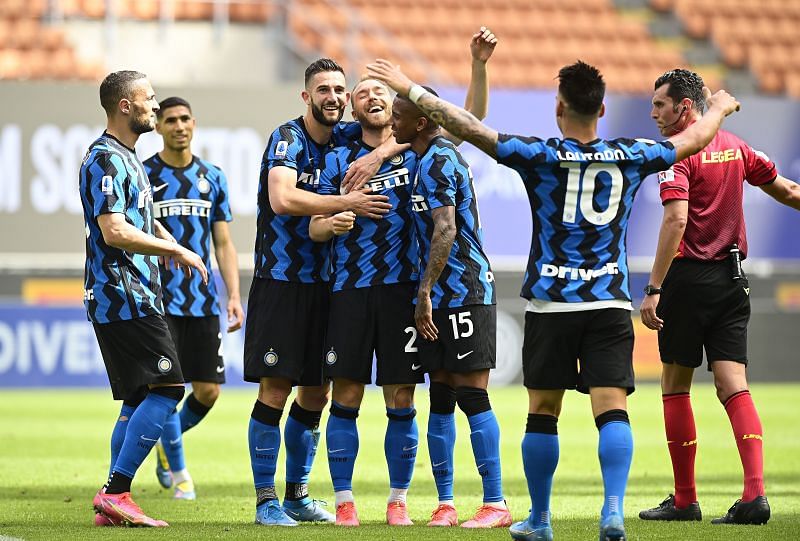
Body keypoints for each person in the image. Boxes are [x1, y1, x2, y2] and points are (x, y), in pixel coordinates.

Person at [367, 59, 740, 541]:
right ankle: (612, 512)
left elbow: (467, 126)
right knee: (612, 411)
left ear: (559, 107)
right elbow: (693, 139)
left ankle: (540, 520)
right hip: (607, 302)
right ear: (603, 108)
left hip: (551, 302)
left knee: (543, 412)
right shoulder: (631, 153)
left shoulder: (539, 155)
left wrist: (409, 88)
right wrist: (718, 108)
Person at [311, 27, 499, 528]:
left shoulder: (419, 151)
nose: (375, 97)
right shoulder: (336, 153)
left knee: (402, 397)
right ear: (352, 110)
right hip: (350, 287)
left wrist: (477, 67)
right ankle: (345, 500)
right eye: (363, 93)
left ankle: (399, 500)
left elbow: (465, 122)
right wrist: (332, 219)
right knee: (346, 396)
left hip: (405, 290)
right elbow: (311, 224)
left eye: (383, 93)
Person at [243, 57, 401, 527]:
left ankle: (296, 494)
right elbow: (282, 198)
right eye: (323, 90)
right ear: (306, 96)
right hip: (282, 281)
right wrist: (348, 201)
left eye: (339, 89)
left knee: (316, 394)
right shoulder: (288, 137)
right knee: (276, 389)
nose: (332, 97)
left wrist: (377, 155)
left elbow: (415, 132)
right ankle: (265, 499)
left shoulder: (348, 141)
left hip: (330, 287)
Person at [639, 69, 800, 525]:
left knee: (675, 387)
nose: (653, 114)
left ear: (685, 108)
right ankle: (755, 496)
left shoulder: (677, 155)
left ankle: (686, 500)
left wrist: (653, 287)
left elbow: (675, 221)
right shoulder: (737, 146)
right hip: (732, 281)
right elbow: (787, 190)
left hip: (688, 282)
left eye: (660, 105)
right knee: (734, 385)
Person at [80, 70, 208, 527]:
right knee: (170, 387)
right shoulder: (104, 160)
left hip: (134, 292)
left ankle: (112, 505)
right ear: (125, 107)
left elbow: (137, 216)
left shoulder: (128, 156)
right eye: (149, 100)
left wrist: (164, 236)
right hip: (122, 294)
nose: (155, 106)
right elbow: (113, 230)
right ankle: (116, 492)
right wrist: (174, 248)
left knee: (137, 397)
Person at [143, 96, 245, 501]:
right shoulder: (146, 176)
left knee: (207, 391)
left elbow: (223, 241)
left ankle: (164, 446)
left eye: (185, 118)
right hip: (161, 300)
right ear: (159, 128)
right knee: (167, 387)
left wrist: (234, 294)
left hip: (202, 300)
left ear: (194, 123)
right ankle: (181, 472)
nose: (179, 126)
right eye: (170, 120)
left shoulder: (213, 177)